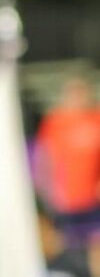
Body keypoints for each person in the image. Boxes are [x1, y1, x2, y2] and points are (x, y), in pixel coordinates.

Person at [35, 76, 100, 243]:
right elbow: (45, 158)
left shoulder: (95, 118)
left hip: (93, 200)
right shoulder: (55, 122)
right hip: (66, 201)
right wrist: (49, 192)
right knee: (68, 244)